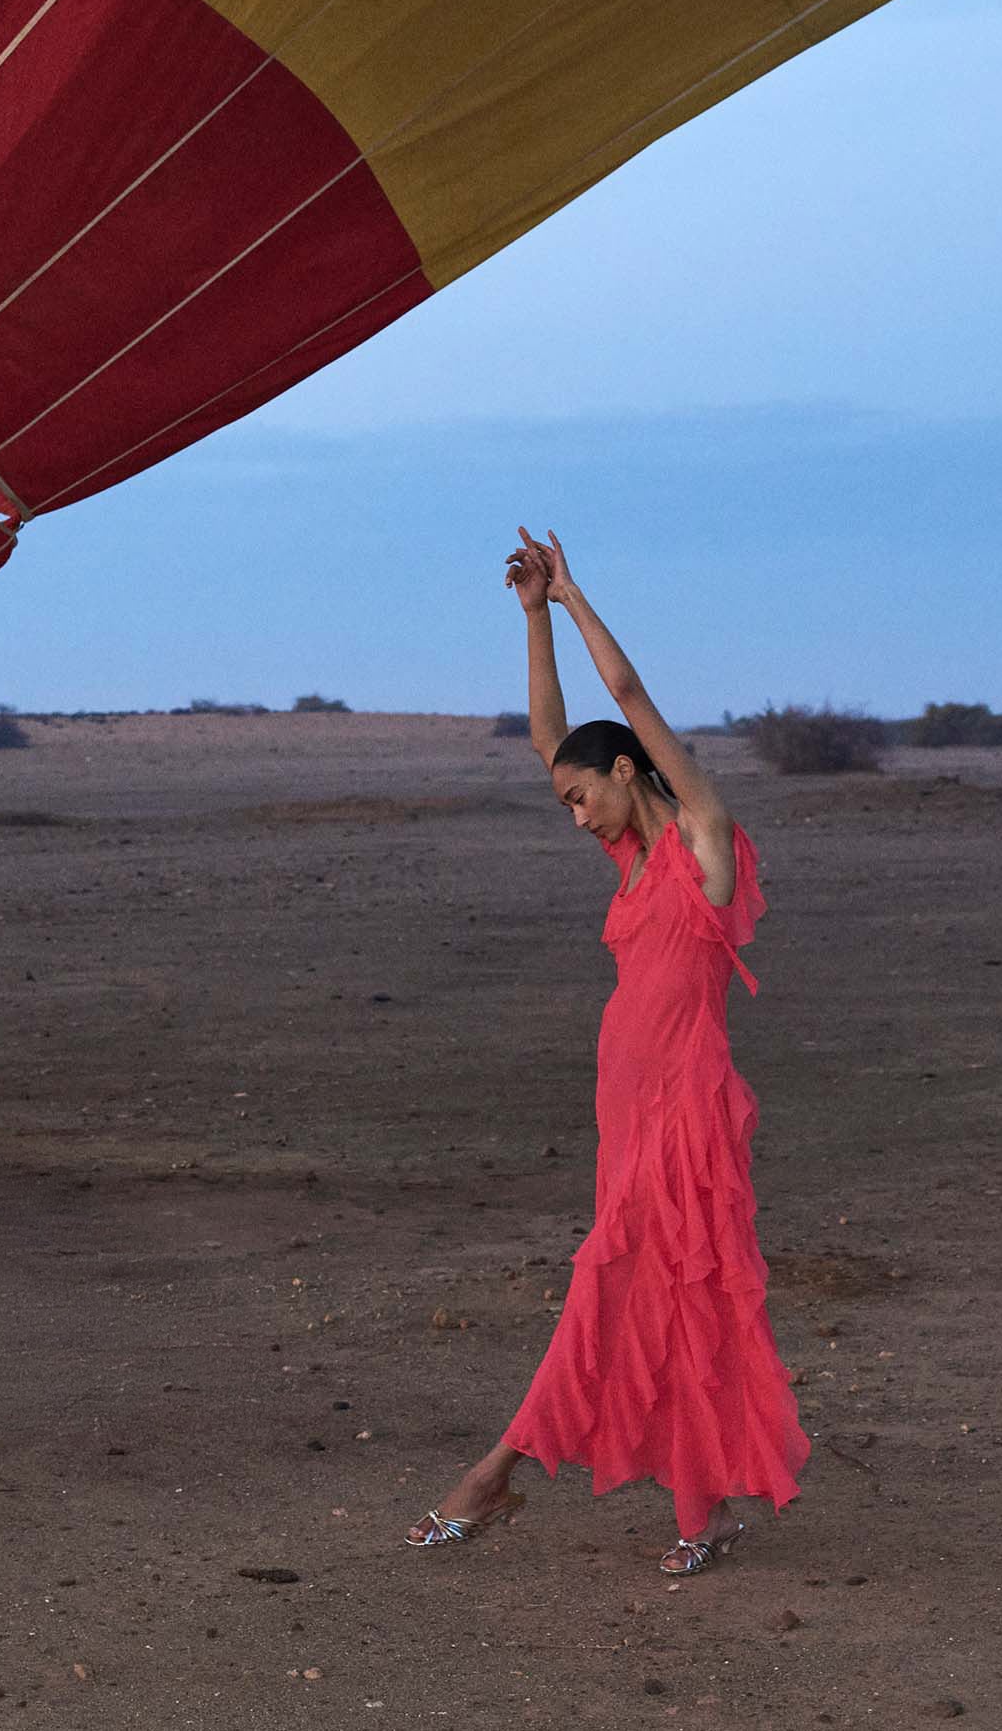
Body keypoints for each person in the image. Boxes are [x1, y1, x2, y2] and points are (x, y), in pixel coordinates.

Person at [405, 527, 809, 1574]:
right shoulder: (632, 856)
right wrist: (530, 616)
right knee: (659, 1300)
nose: (577, 814)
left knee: (618, 1285)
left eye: (584, 795)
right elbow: (554, 733)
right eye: (566, 803)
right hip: (625, 1115)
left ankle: (491, 1476)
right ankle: (701, 1511)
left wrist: (577, 597)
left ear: (628, 772)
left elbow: (625, 696)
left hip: (686, 1113)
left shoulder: (700, 845)